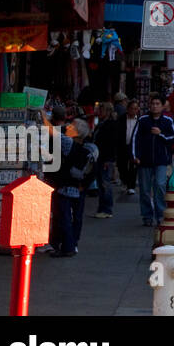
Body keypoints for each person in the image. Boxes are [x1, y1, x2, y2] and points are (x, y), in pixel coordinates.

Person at [48, 116, 96, 257]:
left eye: (71, 126)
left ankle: (67, 246)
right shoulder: (87, 147)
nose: (68, 126)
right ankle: (72, 244)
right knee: (76, 217)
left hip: (66, 186)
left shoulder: (69, 143)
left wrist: (42, 115)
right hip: (78, 186)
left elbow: (51, 131)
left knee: (64, 217)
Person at [132, 95, 174, 226]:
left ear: (163, 106)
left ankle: (160, 215)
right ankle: (147, 216)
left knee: (160, 186)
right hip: (144, 161)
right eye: (153, 103)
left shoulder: (168, 121)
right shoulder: (143, 120)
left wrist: (160, 134)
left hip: (161, 160)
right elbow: (135, 139)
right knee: (145, 190)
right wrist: (135, 156)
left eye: (158, 103)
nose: (155, 106)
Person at [90, 101, 123, 219]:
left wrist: (107, 158)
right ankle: (102, 208)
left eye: (101, 110)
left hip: (105, 158)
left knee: (105, 183)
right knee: (101, 183)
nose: (99, 112)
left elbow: (111, 143)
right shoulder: (102, 124)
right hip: (101, 157)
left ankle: (107, 209)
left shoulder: (111, 125)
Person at [120, 100, 140, 194]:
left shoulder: (140, 120)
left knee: (133, 166)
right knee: (122, 165)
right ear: (128, 109)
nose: (133, 110)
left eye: (135, 109)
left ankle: (131, 186)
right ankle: (125, 181)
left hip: (134, 146)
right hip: (123, 145)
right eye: (131, 108)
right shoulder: (121, 119)